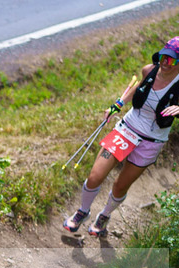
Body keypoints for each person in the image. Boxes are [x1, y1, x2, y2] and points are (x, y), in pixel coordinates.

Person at [63, 37, 179, 237]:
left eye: (171, 60)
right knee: (95, 177)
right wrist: (118, 103)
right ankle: (82, 211)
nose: (164, 64)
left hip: (151, 141)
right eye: (163, 57)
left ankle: (104, 216)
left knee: (120, 186)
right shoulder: (149, 70)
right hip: (127, 130)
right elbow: (139, 86)